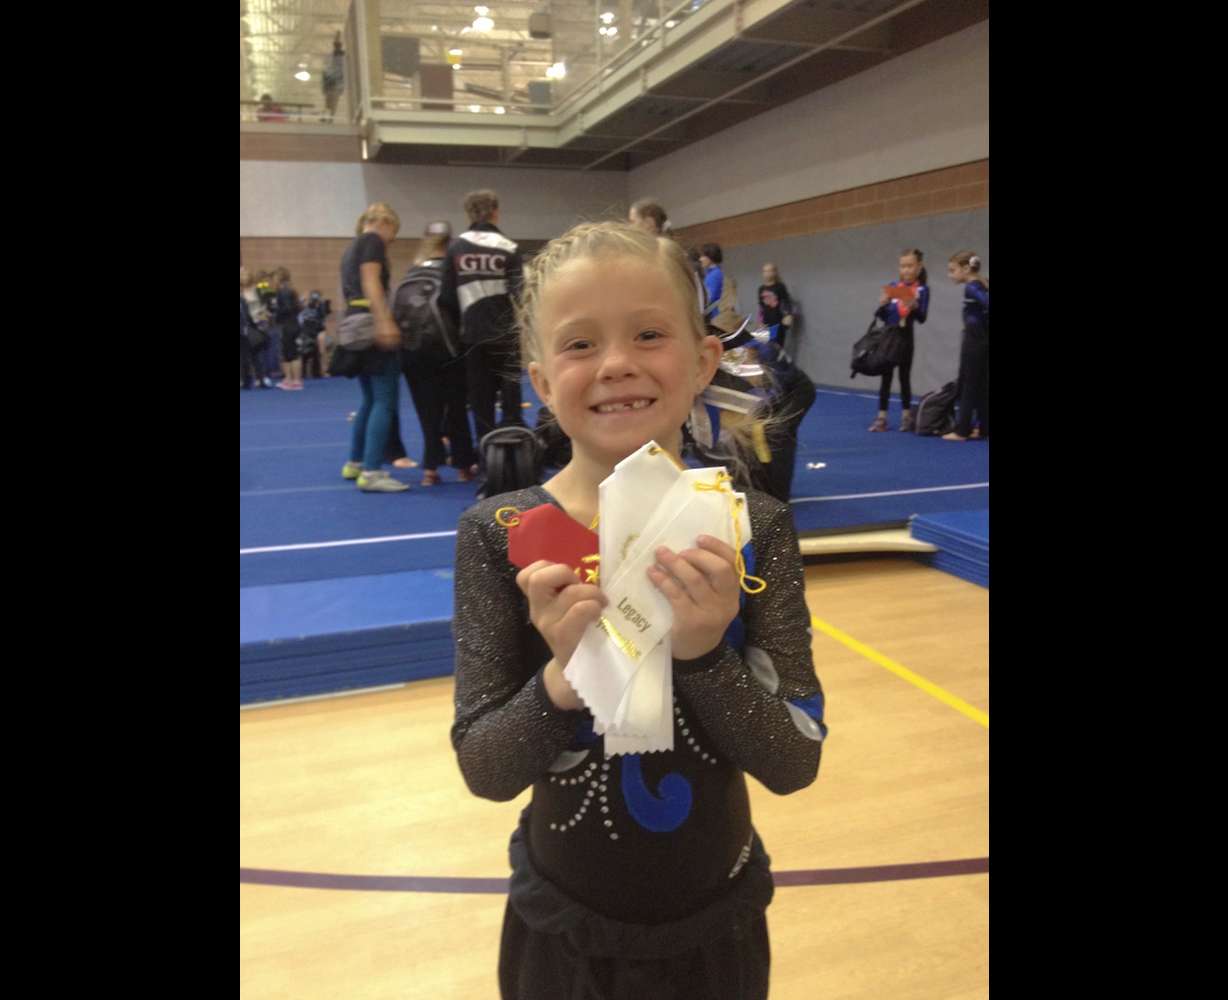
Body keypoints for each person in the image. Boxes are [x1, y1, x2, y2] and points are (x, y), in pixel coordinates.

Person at [451, 221, 827, 999]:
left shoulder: (755, 530)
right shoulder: (503, 535)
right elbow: (485, 769)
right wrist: (564, 677)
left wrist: (701, 652)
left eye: (648, 334)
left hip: (713, 929)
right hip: (563, 931)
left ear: (702, 360)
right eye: (580, 344)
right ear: (542, 380)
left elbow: (794, 763)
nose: (617, 364)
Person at [387, 220, 481, 485]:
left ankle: (430, 470)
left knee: (427, 410)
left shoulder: (411, 273)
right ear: (450, 242)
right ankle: (464, 466)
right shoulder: (454, 272)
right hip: (449, 350)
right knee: (456, 409)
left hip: (414, 353)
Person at [334, 203, 411, 493]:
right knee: (385, 400)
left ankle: (356, 462)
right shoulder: (372, 241)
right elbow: (371, 281)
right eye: (393, 234)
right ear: (386, 223)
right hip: (371, 323)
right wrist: (385, 320)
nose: (391, 241)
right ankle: (373, 471)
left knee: (369, 399)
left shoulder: (351, 247)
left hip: (355, 323)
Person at [439, 189, 525, 448]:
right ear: (496, 212)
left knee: (481, 401)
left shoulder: (456, 248)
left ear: (468, 213)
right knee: (510, 399)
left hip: (472, 336)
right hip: (505, 335)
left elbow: (446, 298)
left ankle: (487, 457)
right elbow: (521, 295)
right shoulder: (509, 247)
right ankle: (516, 455)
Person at [869, 248, 929, 433]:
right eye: (903, 266)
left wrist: (915, 306)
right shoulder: (894, 286)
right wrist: (882, 305)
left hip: (906, 338)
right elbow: (882, 316)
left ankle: (906, 416)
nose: (906, 270)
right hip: (889, 337)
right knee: (885, 378)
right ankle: (881, 418)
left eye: (910, 266)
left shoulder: (922, 289)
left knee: (904, 378)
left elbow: (922, 318)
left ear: (919, 267)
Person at [943, 250, 989, 442]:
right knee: (983, 386)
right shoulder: (982, 283)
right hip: (982, 339)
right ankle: (984, 428)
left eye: (952, 270)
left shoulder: (971, 286)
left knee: (968, 385)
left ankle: (962, 431)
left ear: (965, 268)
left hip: (974, 340)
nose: (950, 275)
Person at [272, 267, 304, 390]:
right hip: (294, 323)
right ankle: (295, 380)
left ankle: (290, 380)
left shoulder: (282, 291)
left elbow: (286, 308)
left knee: (287, 353)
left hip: (287, 325)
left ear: (279, 277)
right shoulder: (292, 290)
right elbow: (296, 307)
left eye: (274, 277)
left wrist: (275, 312)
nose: (273, 280)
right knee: (294, 353)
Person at [240, 267, 273, 389]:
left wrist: (264, 317)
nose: (243, 276)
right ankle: (246, 379)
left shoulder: (258, 289)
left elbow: (266, 304)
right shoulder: (241, 292)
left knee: (258, 353)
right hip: (245, 325)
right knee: (244, 355)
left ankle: (262, 377)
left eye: (244, 274)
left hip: (259, 324)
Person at [756, 262, 794, 348]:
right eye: (765, 271)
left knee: (776, 347)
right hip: (765, 323)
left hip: (778, 322)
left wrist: (787, 315)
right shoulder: (761, 289)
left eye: (769, 271)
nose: (767, 273)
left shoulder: (780, 287)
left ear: (774, 272)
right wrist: (760, 321)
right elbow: (761, 307)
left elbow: (785, 302)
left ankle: (779, 359)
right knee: (763, 346)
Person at [321, 33, 345, 123]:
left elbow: (325, 73)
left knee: (330, 103)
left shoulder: (335, 60)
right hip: (333, 86)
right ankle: (329, 117)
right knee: (331, 104)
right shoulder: (338, 60)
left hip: (332, 86)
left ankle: (329, 117)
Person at [698, 243, 725, 322]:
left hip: (713, 316)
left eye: (703, 256)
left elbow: (709, 298)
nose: (700, 259)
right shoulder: (710, 273)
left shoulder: (715, 274)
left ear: (710, 257)